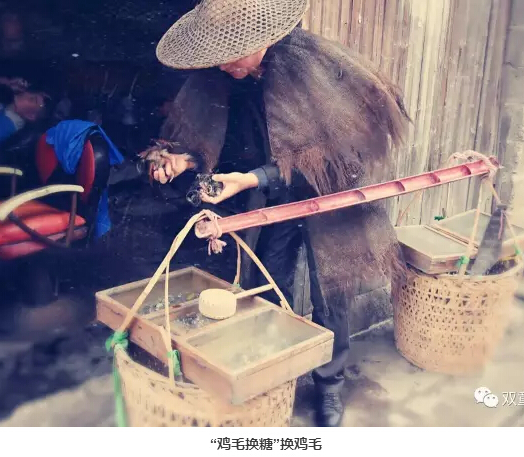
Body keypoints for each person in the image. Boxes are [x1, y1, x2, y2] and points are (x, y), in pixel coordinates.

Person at [147, 0, 410, 427]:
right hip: (271, 196)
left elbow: (337, 153)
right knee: (268, 281)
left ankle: (329, 384)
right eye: (218, 54)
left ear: (262, 40)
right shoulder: (225, 78)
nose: (224, 63)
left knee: (330, 290)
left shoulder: (312, 67)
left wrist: (252, 179)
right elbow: (225, 142)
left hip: (328, 191)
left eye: (233, 53)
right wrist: (187, 160)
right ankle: (273, 373)